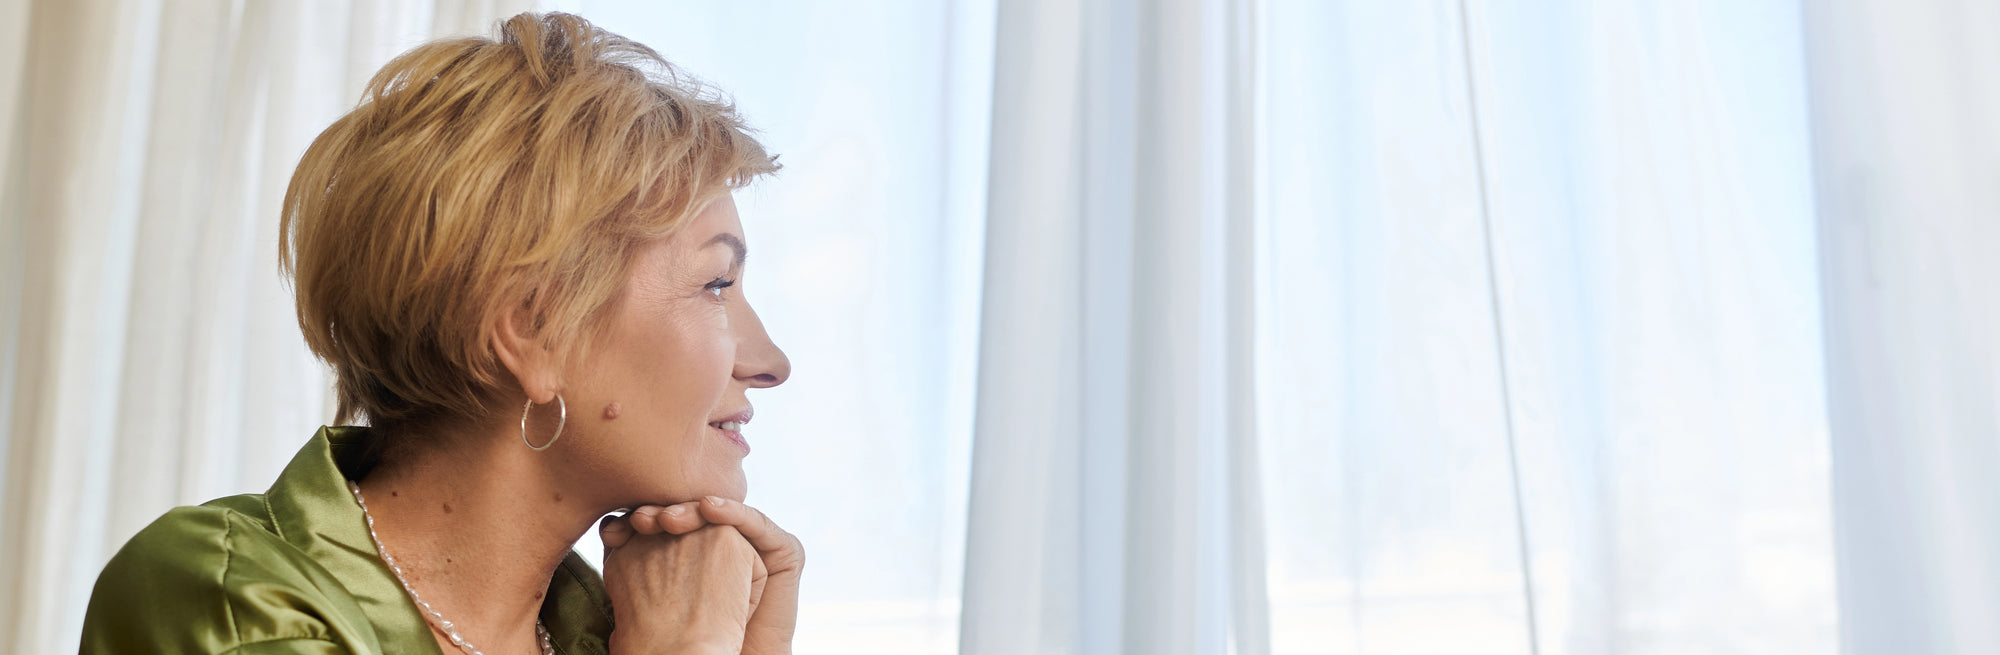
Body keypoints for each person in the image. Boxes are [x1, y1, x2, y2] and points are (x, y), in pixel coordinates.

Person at [78, 12, 801, 655]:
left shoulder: (609, 629)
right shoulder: (231, 603)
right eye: (716, 285)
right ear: (533, 330)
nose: (771, 362)